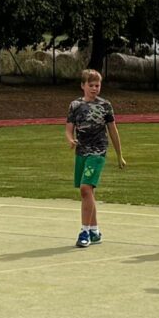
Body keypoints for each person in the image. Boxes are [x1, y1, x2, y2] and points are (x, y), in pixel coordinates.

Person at [64, 67, 127, 249]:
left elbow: (113, 131)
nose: (94, 88)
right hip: (81, 152)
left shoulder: (105, 106)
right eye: (91, 85)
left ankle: (84, 231)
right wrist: (70, 140)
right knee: (87, 192)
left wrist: (119, 155)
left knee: (85, 188)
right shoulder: (75, 105)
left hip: (98, 152)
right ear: (82, 85)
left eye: (97, 85)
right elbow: (68, 129)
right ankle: (94, 230)